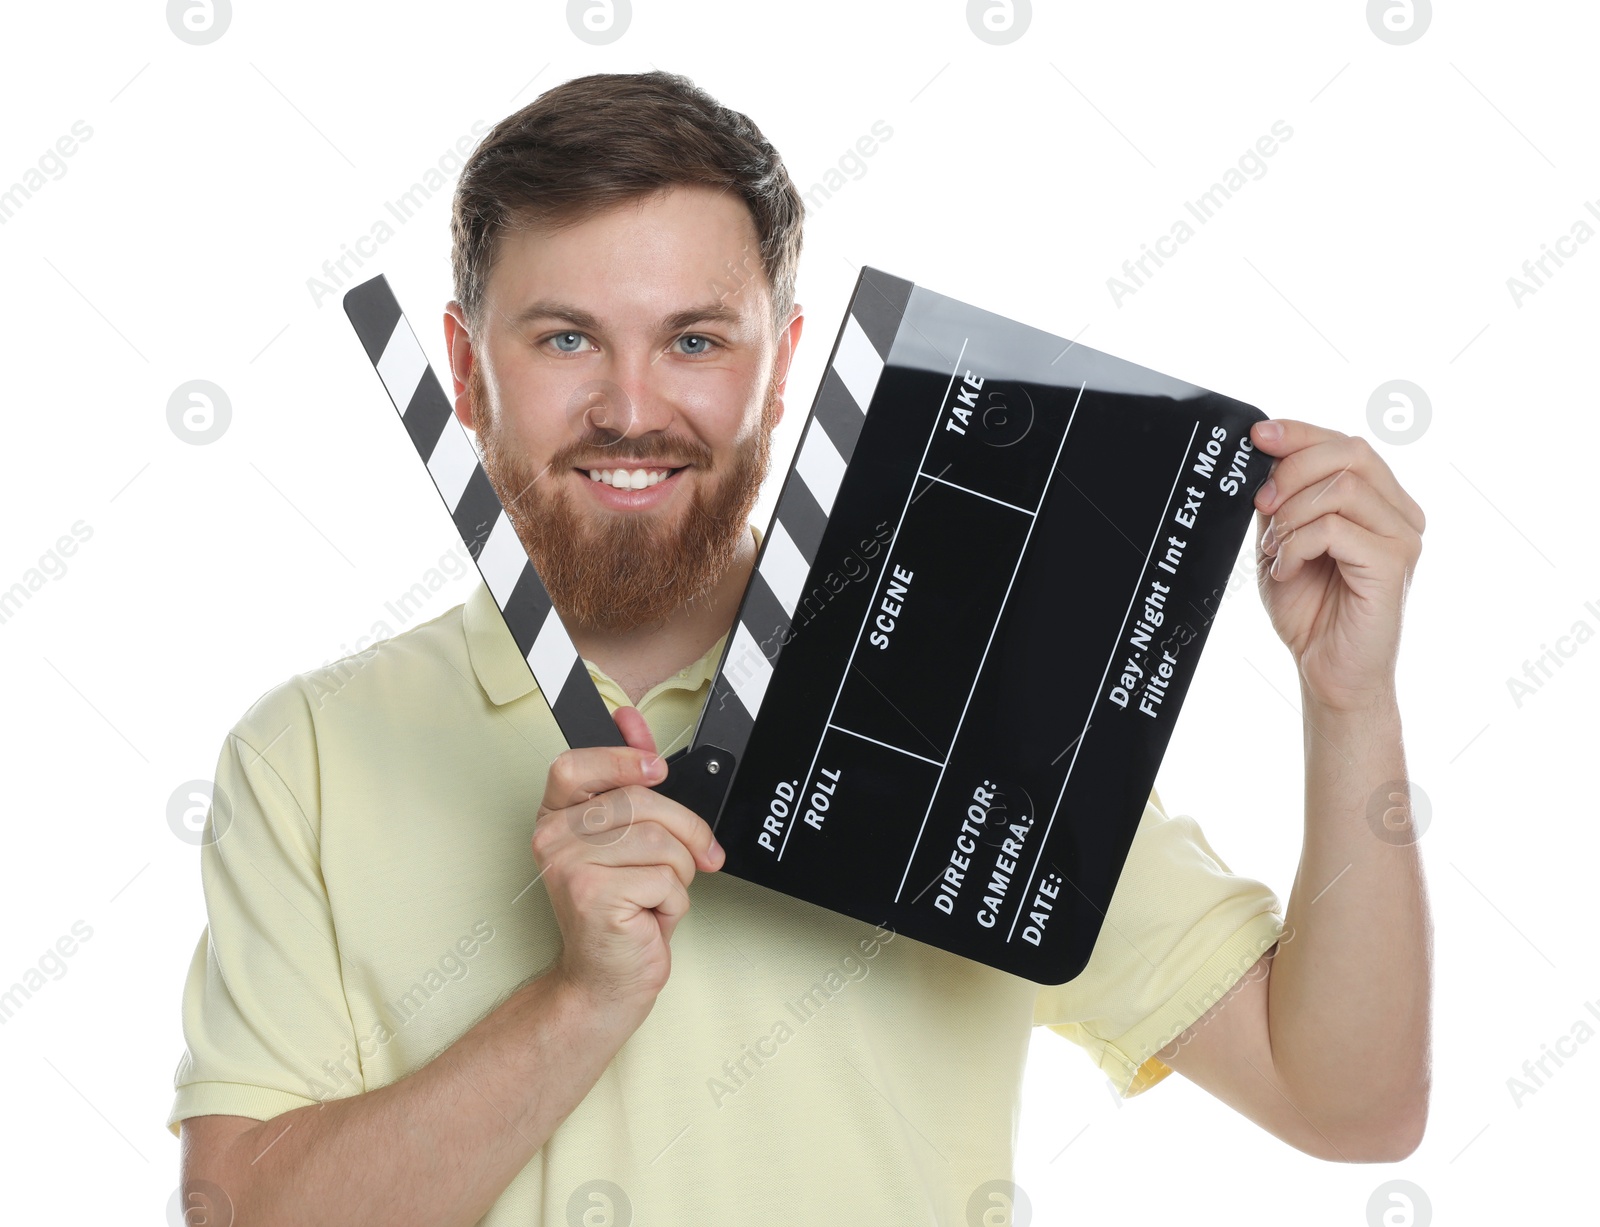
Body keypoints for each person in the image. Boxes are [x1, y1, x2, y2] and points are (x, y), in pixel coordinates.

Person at [168, 70, 1430, 1226]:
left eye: (695, 341)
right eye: (565, 339)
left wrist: (1348, 694)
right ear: (460, 366)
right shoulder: (311, 755)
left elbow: (1347, 1105)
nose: (630, 407)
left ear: (780, 369)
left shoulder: (964, 686)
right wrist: (578, 1002)